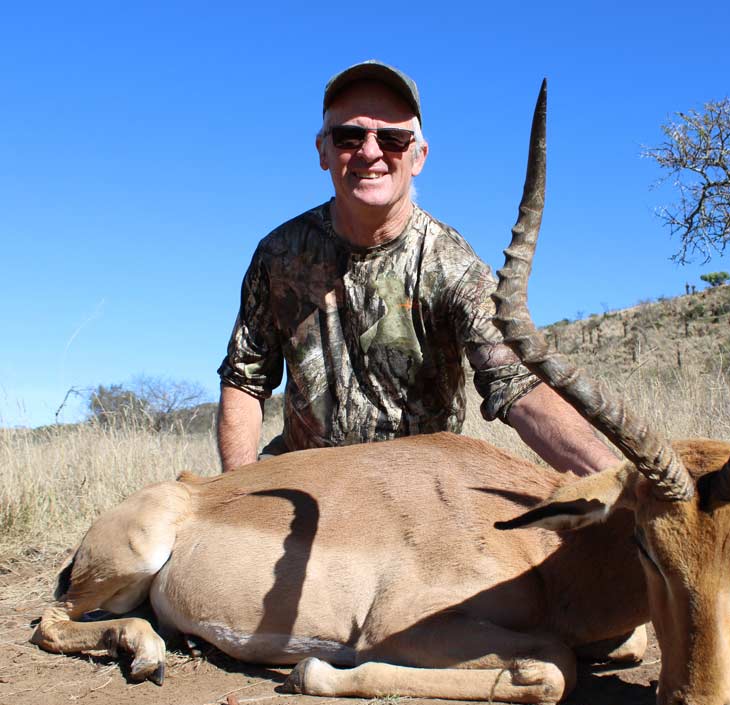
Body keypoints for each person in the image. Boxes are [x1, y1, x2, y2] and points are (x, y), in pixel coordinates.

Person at [216, 60, 618, 476]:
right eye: (348, 136)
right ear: (323, 150)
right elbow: (245, 382)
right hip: (300, 476)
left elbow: (518, 386)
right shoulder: (279, 254)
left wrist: (617, 480)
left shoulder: (452, 265)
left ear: (419, 156)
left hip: (416, 492)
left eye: (392, 139)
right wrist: (236, 491)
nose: (370, 152)